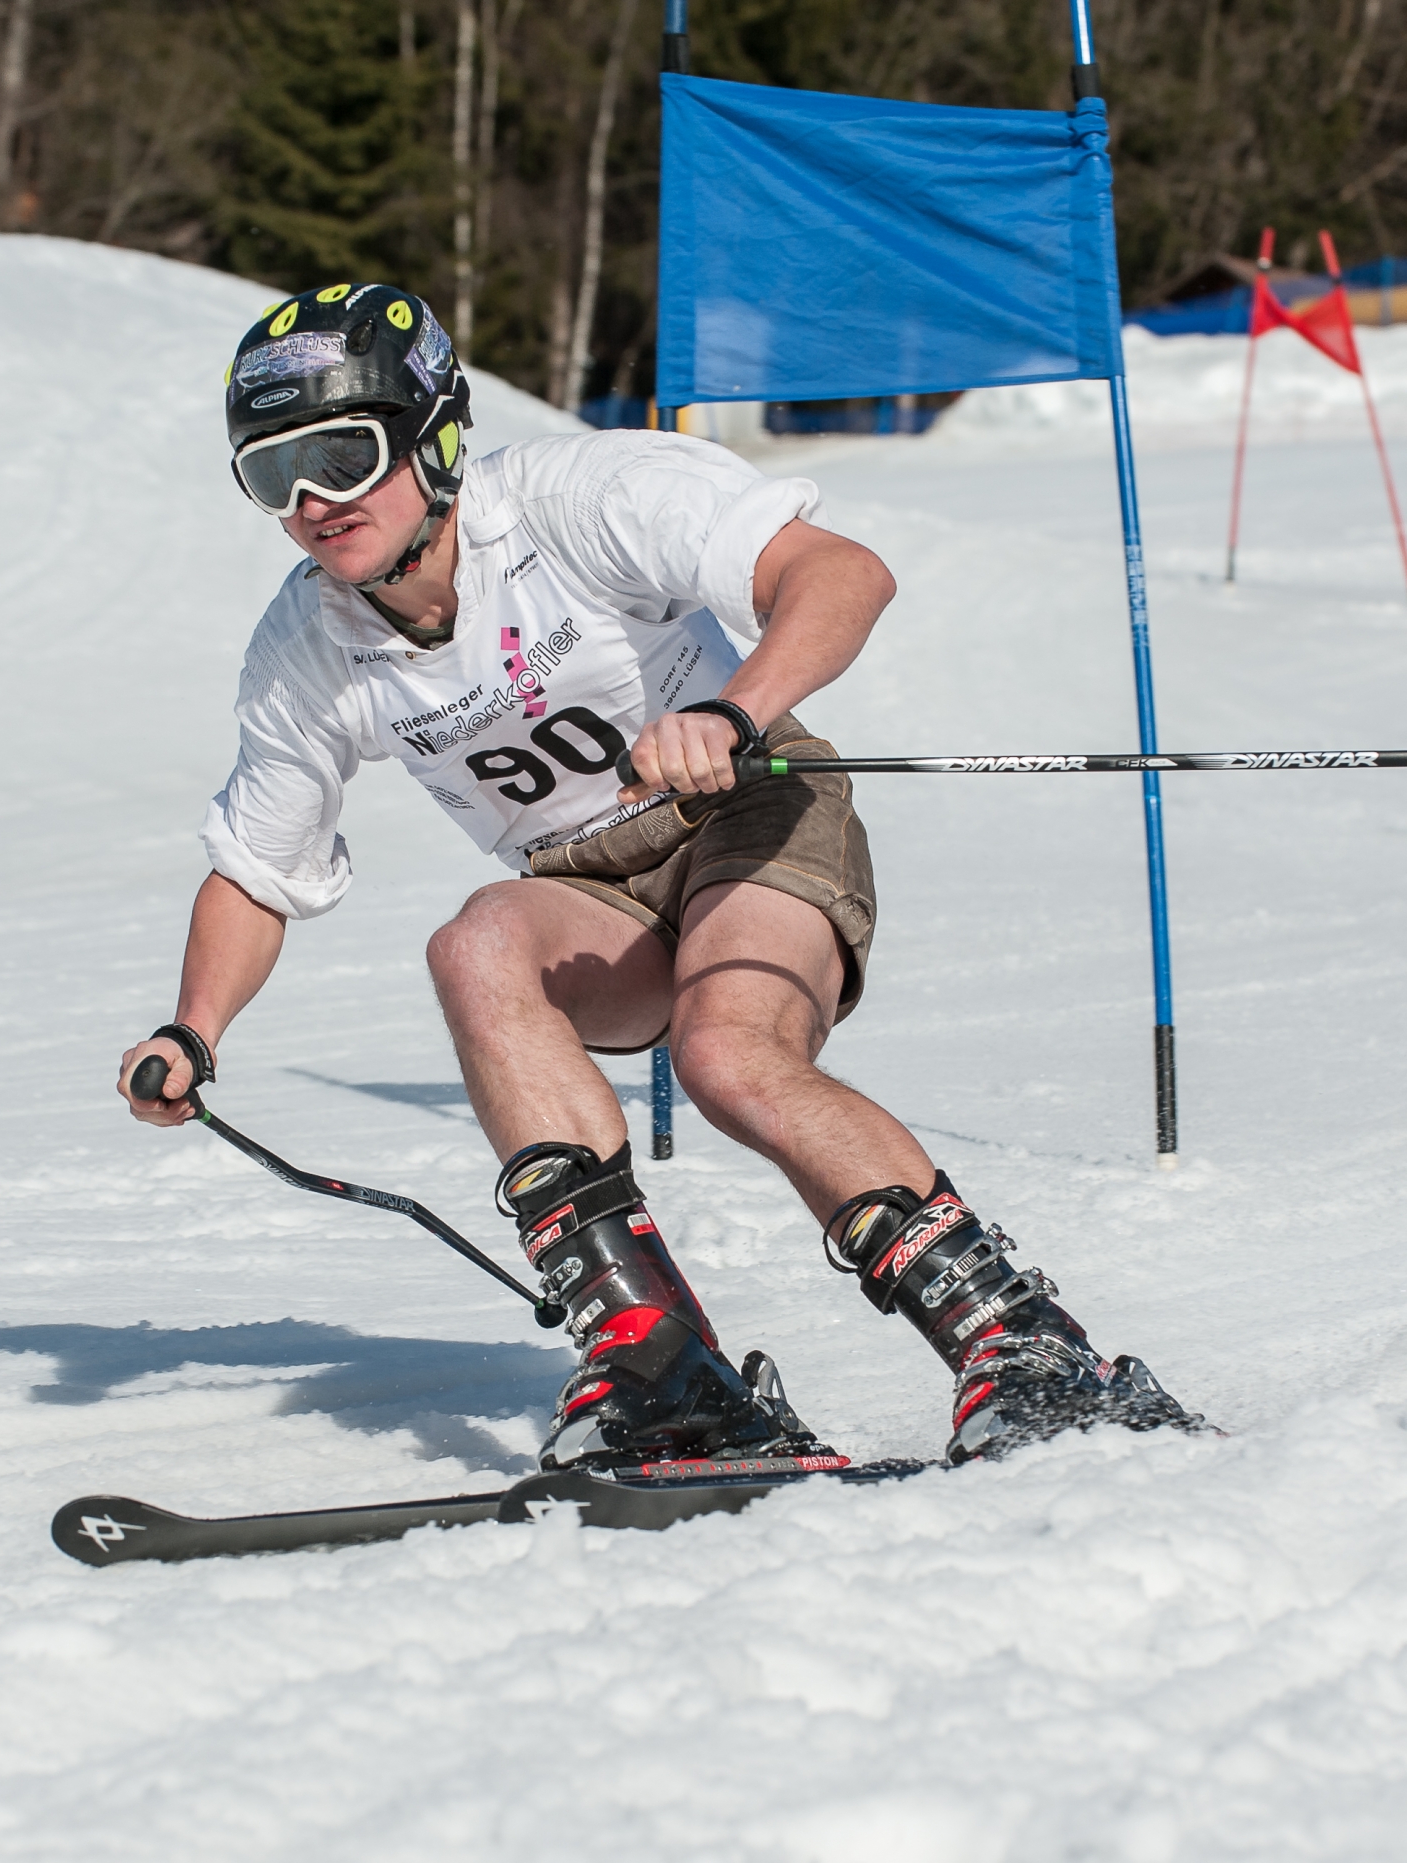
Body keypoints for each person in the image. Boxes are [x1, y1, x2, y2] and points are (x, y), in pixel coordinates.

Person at [120, 281, 1199, 1467]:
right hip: (591, 885)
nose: (315, 502)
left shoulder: (577, 500)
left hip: (750, 808)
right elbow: (257, 868)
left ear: (435, 435)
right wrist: (194, 1028)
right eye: (275, 477)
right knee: (474, 942)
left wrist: (731, 710)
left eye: (342, 455)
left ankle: (1027, 1346)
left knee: (728, 1055)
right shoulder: (308, 646)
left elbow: (842, 575)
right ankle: (657, 1364)